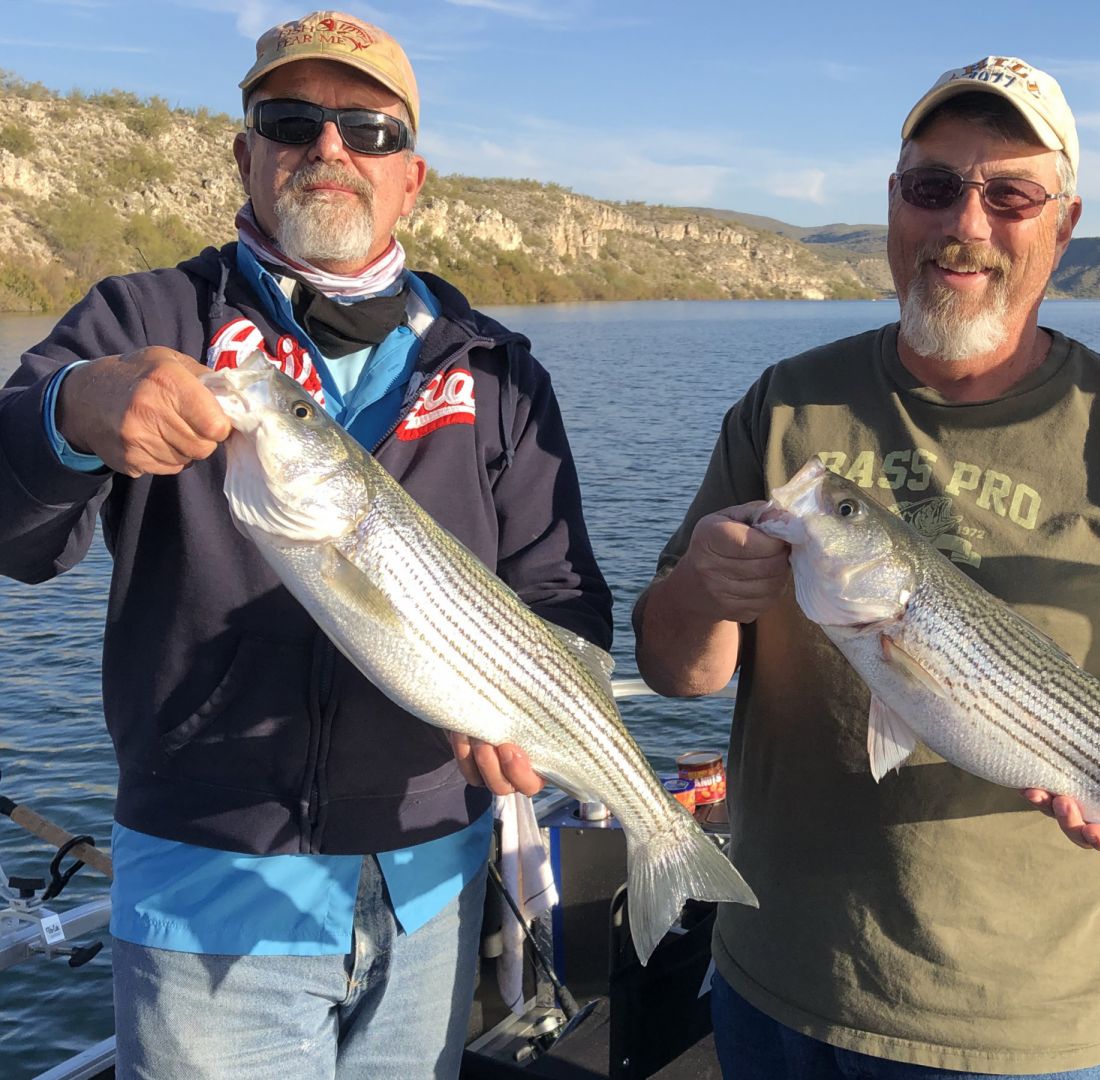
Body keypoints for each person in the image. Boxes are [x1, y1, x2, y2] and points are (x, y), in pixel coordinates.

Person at [0, 11, 610, 1079]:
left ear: (410, 178)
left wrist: (536, 706)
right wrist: (67, 412)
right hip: (210, 895)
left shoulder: (497, 365)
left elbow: (558, 587)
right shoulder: (146, 319)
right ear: (246, 154)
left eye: (369, 130)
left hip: (433, 894)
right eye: (292, 120)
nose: (330, 148)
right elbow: (17, 537)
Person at [630, 57, 1100, 1078]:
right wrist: (701, 589)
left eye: (1009, 193)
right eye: (933, 186)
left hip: (1026, 1027)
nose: (965, 223)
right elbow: (677, 672)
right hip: (771, 980)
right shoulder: (785, 403)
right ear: (893, 205)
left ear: (1063, 224)